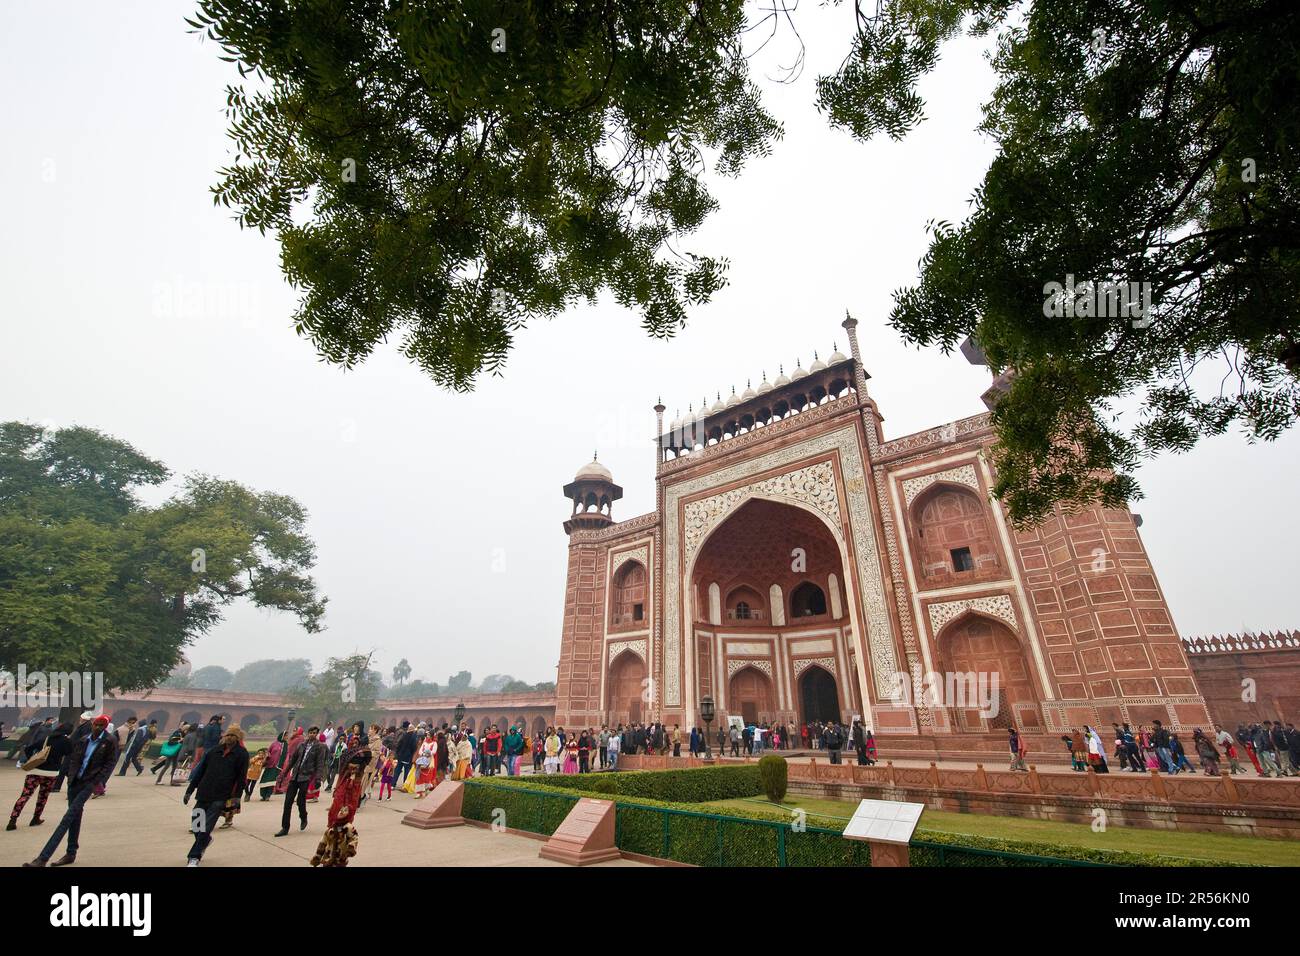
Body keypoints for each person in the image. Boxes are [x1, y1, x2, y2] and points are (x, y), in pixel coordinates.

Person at [22, 715, 118, 868]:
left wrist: (96, 782)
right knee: (75, 816)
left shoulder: (109, 741)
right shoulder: (84, 739)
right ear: (92, 724)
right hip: (75, 781)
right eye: (96, 724)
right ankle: (71, 852)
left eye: (102, 725)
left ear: (105, 727)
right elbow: (74, 759)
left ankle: (42, 858)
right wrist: (70, 777)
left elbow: (110, 763)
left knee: (67, 818)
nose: (98, 727)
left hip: (88, 783)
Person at [182, 725, 248, 866]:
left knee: (206, 826)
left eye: (232, 736)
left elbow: (241, 776)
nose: (229, 738)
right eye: (227, 735)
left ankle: (194, 857)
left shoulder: (241, 754)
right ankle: (205, 841)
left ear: (237, 739)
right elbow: (200, 771)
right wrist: (190, 790)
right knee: (196, 822)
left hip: (221, 794)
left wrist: (237, 796)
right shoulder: (214, 751)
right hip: (204, 792)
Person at [8, 722, 72, 830]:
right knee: (43, 796)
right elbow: (69, 754)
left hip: (35, 770)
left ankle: (13, 820)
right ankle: (35, 818)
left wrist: (31, 760)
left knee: (25, 795)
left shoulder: (47, 739)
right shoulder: (66, 742)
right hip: (51, 773)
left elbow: (28, 748)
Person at [275, 725, 326, 837]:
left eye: (314, 733)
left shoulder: (319, 747)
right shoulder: (301, 745)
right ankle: (285, 827)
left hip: (306, 777)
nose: (312, 734)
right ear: (307, 733)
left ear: (316, 734)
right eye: (310, 732)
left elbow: (320, 763)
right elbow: (293, 760)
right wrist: (284, 773)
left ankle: (303, 817)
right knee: (288, 802)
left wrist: (318, 778)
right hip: (295, 776)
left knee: (300, 801)